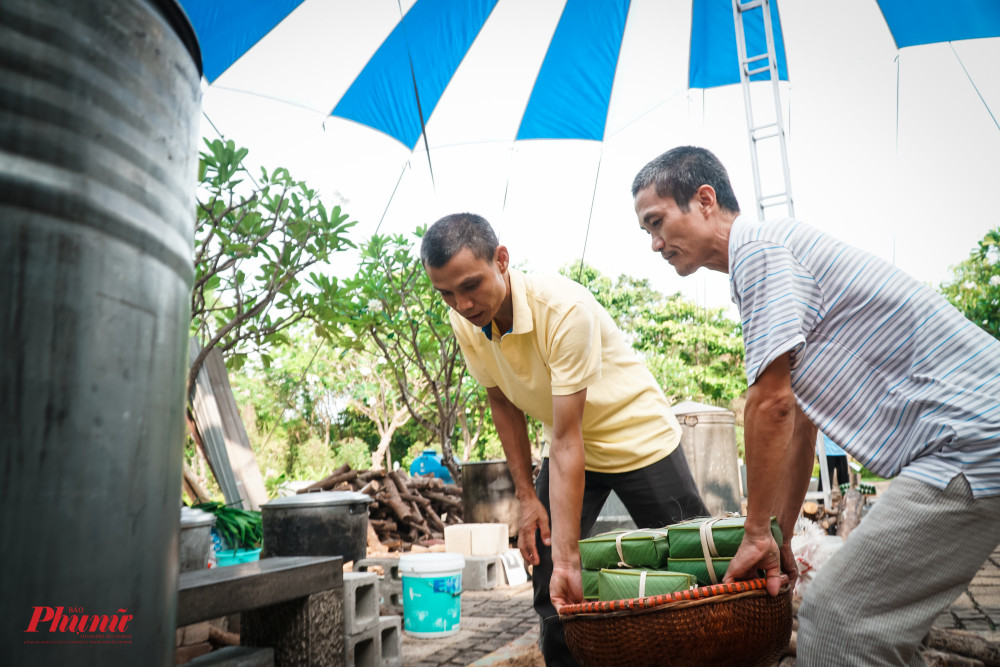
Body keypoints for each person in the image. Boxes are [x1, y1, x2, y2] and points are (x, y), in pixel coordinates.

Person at [632, 145, 1000, 666]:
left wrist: (756, 532)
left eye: (656, 222)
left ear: (705, 200)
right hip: (972, 434)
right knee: (868, 628)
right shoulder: (770, 255)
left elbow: (771, 406)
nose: (653, 244)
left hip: (970, 438)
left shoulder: (759, 253)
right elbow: (802, 427)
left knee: (836, 620)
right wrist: (779, 536)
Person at [420, 213, 708, 666]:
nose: (463, 304)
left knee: (696, 567)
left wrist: (575, 560)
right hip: (569, 448)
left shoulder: (563, 310)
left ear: (501, 260)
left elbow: (570, 438)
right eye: (447, 294)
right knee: (549, 565)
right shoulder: (465, 319)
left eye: (471, 285)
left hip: (639, 438)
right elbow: (502, 401)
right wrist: (526, 498)